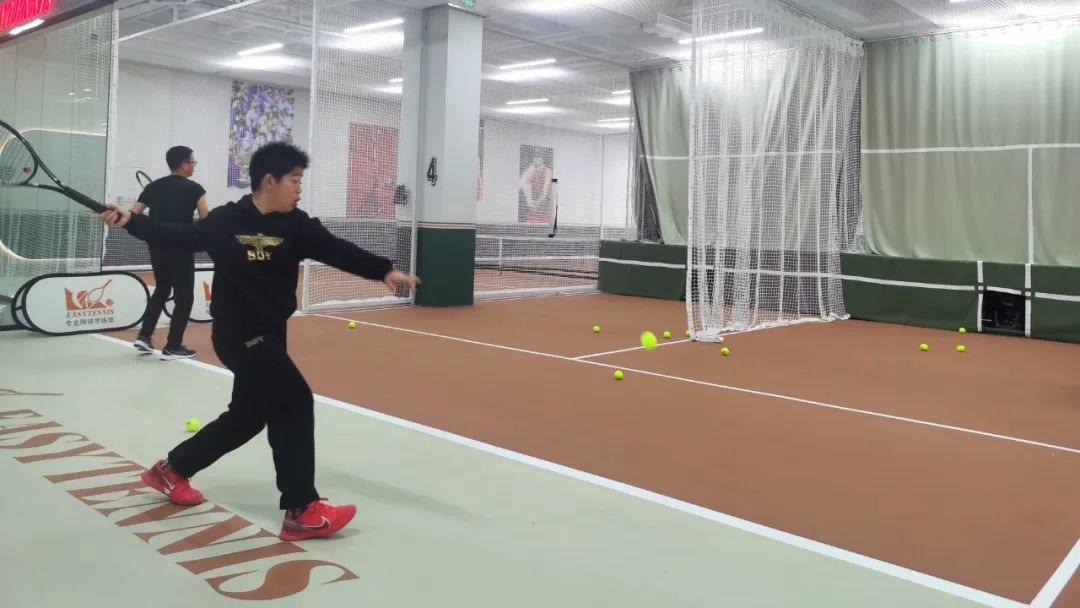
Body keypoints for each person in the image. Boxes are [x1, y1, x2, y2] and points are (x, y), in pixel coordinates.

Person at [98, 142, 419, 541]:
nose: (299, 189)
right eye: (294, 181)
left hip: (271, 331)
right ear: (270, 181)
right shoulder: (226, 220)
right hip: (237, 332)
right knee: (294, 400)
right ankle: (301, 508)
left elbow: (336, 249)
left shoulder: (296, 224)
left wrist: (383, 270)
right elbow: (176, 237)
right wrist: (130, 220)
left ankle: (172, 470)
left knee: (248, 416)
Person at [131, 146, 209, 360]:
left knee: (162, 289)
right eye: (192, 162)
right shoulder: (195, 189)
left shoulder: (152, 187)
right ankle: (173, 346)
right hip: (181, 246)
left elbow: (133, 214)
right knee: (185, 297)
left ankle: (144, 335)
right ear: (184, 164)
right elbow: (206, 218)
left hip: (157, 246)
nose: (193, 166)